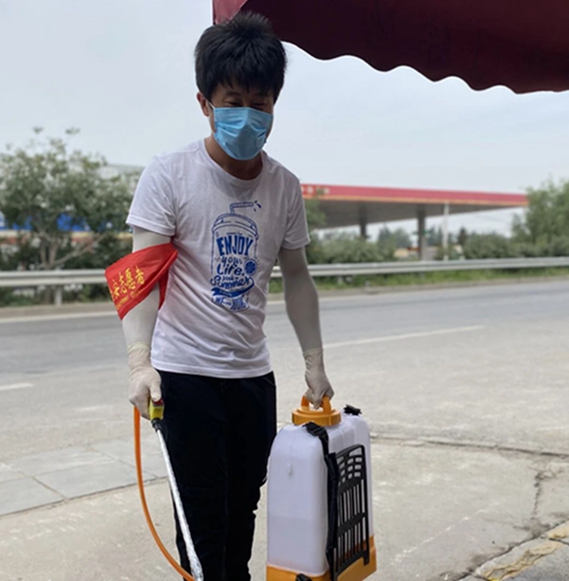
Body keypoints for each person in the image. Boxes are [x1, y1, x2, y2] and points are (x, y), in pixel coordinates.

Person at [115, 12, 334, 581]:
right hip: (184, 378)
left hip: (252, 379)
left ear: (274, 106)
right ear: (205, 103)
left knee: (242, 514)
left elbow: (298, 277)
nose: (248, 115)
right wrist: (139, 362)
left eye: (260, 104)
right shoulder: (169, 175)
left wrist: (314, 362)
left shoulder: (284, 186)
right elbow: (140, 275)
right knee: (202, 526)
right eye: (233, 101)